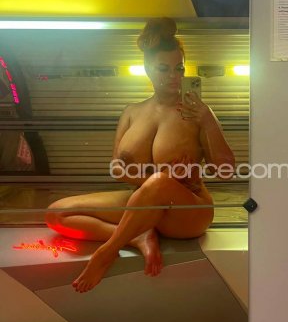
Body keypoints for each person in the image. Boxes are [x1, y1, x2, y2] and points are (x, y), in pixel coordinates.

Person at [45, 17, 235, 293]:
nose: (174, 76)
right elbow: (116, 167)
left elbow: (226, 170)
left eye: (179, 68)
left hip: (188, 211)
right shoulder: (132, 112)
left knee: (159, 182)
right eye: (164, 68)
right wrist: (154, 182)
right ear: (147, 68)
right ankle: (138, 237)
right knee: (56, 213)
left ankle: (108, 251)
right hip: (143, 202)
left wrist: (207, 121)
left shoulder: (198, 113)